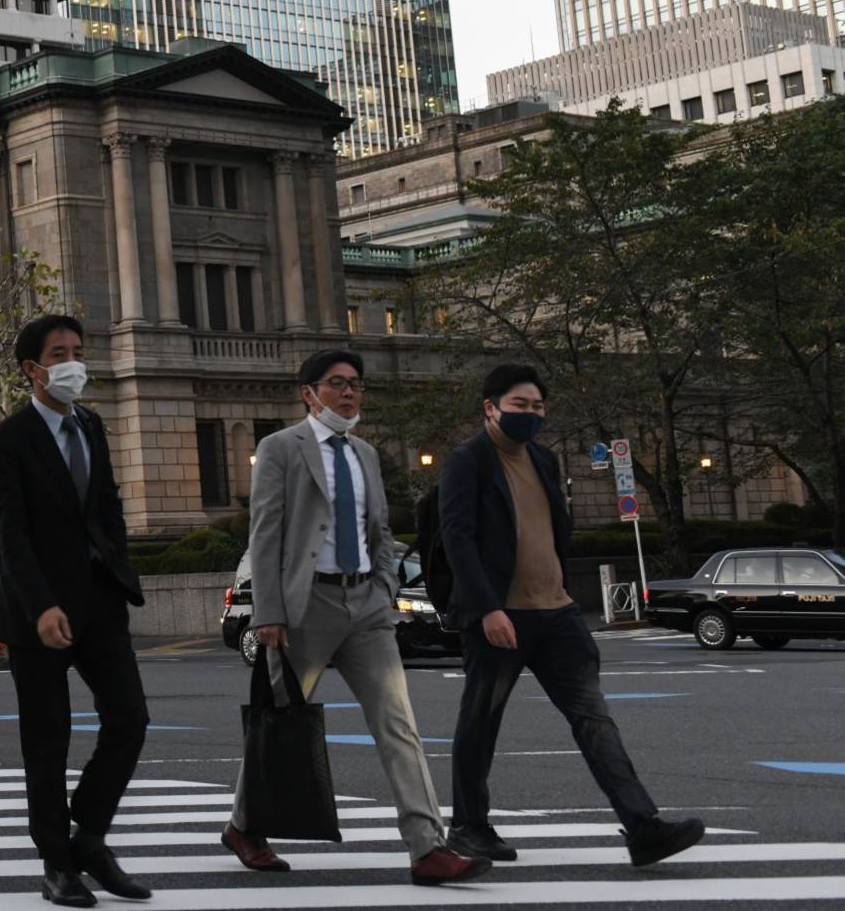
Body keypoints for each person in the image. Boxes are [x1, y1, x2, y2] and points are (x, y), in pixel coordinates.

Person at [224, 349, 486, 887]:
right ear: (309, 393)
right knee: (280, 724)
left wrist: (385, 587)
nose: (350, 393)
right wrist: (268, 612)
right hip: (304, 608)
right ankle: (243, 826)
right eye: (337, 384)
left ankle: (427, 847)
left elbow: (382, 532)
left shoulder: (365, 453)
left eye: (356, 385)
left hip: (365, 604)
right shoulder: (280, 448)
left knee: (398, 724)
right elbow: (266, 533)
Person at [439, 363, 704, 868]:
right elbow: (458, 539)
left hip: (557, 614)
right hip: (502, 617)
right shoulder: (467, 461)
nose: (532, 414)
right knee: (481, 721)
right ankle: (469, 827)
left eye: (538, 407)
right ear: (490, 407)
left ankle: (643, 826)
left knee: (594, 719)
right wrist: (488, 608)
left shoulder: (543, 457)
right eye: (520, 405)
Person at [0, 314, 150, 909]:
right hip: (38, 612)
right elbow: (12, 534)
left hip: (101, 601)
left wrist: (121, 571)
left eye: (79, 349)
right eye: (61, 352)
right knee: (47, 741)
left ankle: (90, 835)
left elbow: (106, 508)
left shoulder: (92, 426)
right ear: (33, 369)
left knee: (130, 720)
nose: (75, 361)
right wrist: (42, 606)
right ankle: (57, 864)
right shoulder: (7, 441)